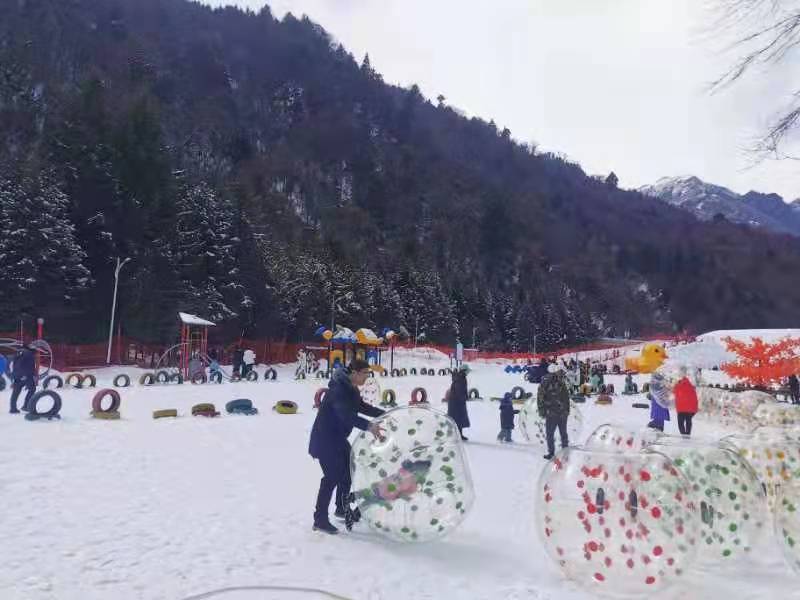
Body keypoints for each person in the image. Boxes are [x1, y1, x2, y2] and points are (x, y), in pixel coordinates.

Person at [308, 359, 385, 535]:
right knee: (332, 477)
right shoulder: (338, 390)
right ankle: (319, 519)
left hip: (338, 439)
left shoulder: (351, 388)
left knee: (349, 471)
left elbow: (361, 407)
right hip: (325, 440)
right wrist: (369, 426)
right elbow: (346, 416)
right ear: (355, 373)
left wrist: (384, 414)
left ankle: (341, 508)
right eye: (366, 373)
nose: (368, 377)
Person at [538, 363, 570, 460]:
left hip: (551, 413)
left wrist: (542, 411)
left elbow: (540, 398)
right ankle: (565, 452)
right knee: (563, 433)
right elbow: (566, 397)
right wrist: (567, 410)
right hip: (562, 412)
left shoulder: (544, 382)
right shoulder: (561, 381)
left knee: (550, 434)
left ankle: (551, 453)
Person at [9, 344, 37, 414]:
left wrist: (14, 375)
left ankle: (13, 408)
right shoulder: (29, 354)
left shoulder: (18, 352)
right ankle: (26, 406)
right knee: (32, 389)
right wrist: (32, 375)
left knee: (16, 392)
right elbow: (30, 366)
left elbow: (14, 364)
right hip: (26, 375)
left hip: (16, 375)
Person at [447, 364, 471, 441]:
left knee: (459, 419)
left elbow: (462, 390)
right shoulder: (460, 378)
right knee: (455, 419)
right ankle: (452, 435)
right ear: (464, 371)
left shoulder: (461, 377)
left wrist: (465, 397)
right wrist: (464, 397)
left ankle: (459, 435)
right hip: (456, 402)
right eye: (467, 371)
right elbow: (459, 390)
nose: (468, 373)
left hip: (458, 401)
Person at [674, 366, 699, 436]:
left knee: (680, 423)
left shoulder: (678, 385)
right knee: (688, 421)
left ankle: (683, 435)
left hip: (681, 407)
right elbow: (694, 397)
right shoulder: (691, 385)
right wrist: (695, 408)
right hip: (689, 408)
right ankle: (687, 434)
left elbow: (674, 392)